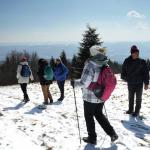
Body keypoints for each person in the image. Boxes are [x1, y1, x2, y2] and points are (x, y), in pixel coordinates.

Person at [70, 46, 118, 144]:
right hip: (101, 95)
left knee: (89, 116)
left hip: (90, 97)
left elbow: (84, 83)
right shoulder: (105, 63)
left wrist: (74, 83)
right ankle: (112, 133)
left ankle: (92, 138)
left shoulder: (91, 65)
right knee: (99, 114)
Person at [121, 45, 149, 117]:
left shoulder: (142, 61)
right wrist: (124, 78)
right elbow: (123, 71)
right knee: (130, 97)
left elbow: (146, 73)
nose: (136, 54)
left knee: (138, 98)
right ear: (131, 53)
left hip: (139, 83)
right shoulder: (127, 61)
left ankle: (137, 111)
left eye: (137, 53)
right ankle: (130, 110)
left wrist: (146, 84)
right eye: (135, 53)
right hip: (130, 83)